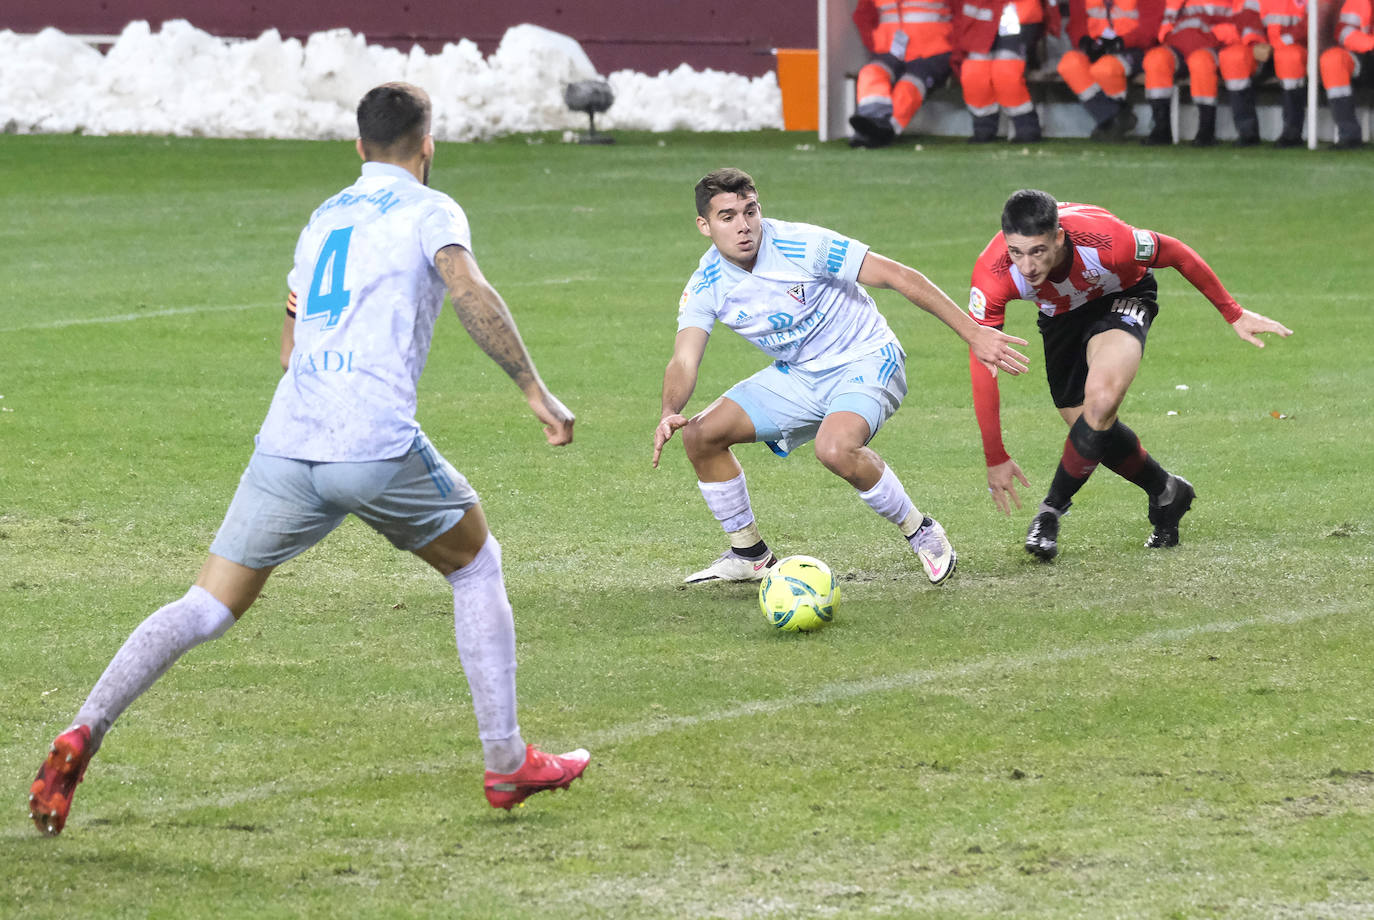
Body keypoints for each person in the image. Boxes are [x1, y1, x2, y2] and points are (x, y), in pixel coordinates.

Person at [28, 83, 590, 836]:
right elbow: (469, 289)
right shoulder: (433, 209)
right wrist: (533, 389)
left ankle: (81, 731)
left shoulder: (324, 217)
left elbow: (290, 344)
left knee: (204, 606)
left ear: (357, 147)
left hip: (289, 440)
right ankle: (506, 760)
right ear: (428, 146)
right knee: (476, 564)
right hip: (372, 444)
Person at [653, 167, 1031, 586]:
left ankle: (923, 531)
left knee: (834, 449)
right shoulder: (706, 283)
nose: (744, 226)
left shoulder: (802, 243)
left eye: (750, 211)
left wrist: (973, 332)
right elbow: (684, 359)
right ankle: (750, 554)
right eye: (728, 217)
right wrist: (671, 410)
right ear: (704, 226)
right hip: (798, 376)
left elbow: (898, 276)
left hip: (865, 359)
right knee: (700, 435)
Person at [967, 189, 1292, 560]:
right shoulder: (993, 273)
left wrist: (1233, 313)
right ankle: (1168, 492)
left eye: (1038, 251)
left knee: (1102, 402)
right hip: (1060, 318)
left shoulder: (1109, 240)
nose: (1027, 266)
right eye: (1017, 252)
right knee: (1089, 429)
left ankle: (1051, 510)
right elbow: (982, 360)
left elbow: (1175, 253)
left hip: (1123, 297)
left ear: (1058, 237)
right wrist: (995, 455)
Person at [1143, 0, 1263, 145]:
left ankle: (1205, 131)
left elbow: (1247, 22)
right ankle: (1161, 129)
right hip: (1179, 43)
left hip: (1217, 44)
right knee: (1156, 59)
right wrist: (1175, 37)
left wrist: (1211, 36)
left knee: (1201, 62)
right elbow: (1164, 24)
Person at [850, 0, 957, 147]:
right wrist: (875, 42)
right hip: (889, 52)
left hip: (934, 52)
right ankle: (872, 124)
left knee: (909, 86)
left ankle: (881, 130)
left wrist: (955, 49)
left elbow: (961, 13)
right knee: (871, 73)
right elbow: (863, 15)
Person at [1055, 0, 1151, 140]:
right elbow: (1077, 23)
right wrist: (1084, 41)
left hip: (1134, 48)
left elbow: (1151, 26)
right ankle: (1114, 117)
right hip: (1096, 47)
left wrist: (1120, 42)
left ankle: (1113, 121)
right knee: (1070, 64)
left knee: (1105, 68)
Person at [955, 0, 1045, 143]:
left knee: (1005, 71)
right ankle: (983, 128)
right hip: (981, 19)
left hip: (1019, 18)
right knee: (973, 71)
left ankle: (1026, 127)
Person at [1320, 0, 1374, 148]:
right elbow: (1344, 31)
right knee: (1333, 60)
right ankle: (1349, 135)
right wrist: (1370, 44)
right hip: (1366, 54)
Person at [1260, 0, 1312, 146]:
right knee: (1234, 60)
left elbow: (1313, 21)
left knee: (1290, 59)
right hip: (1262, 49)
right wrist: (1255, 42)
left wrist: (1278, 43)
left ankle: (1292, 133)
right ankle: (1247, 134)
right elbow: (1247, 19)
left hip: (1295, 46)